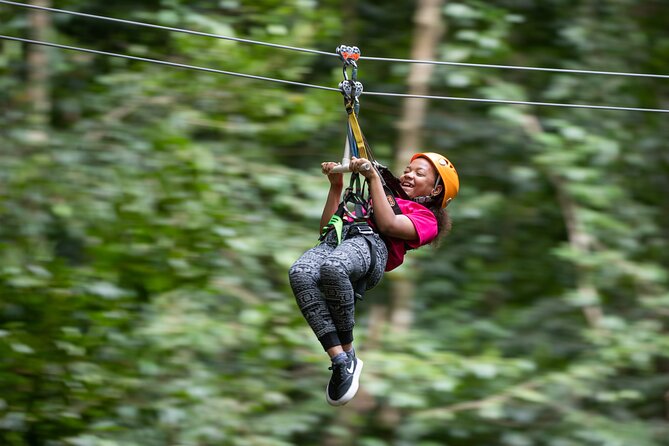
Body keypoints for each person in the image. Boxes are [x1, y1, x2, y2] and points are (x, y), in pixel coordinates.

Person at [288, 152, 459, 406]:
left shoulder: (427, 219)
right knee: (300, 273)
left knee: (334, 268)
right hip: (339, 239)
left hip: (372, 247)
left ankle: (347, 351)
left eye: (419, 173)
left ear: (435, 191)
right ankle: (340, 360)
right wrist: (336, 186)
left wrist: (373, 178)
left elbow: (388, 225)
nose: (408, 175)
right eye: (408, 169)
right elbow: (327, 228)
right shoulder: (379, 197)